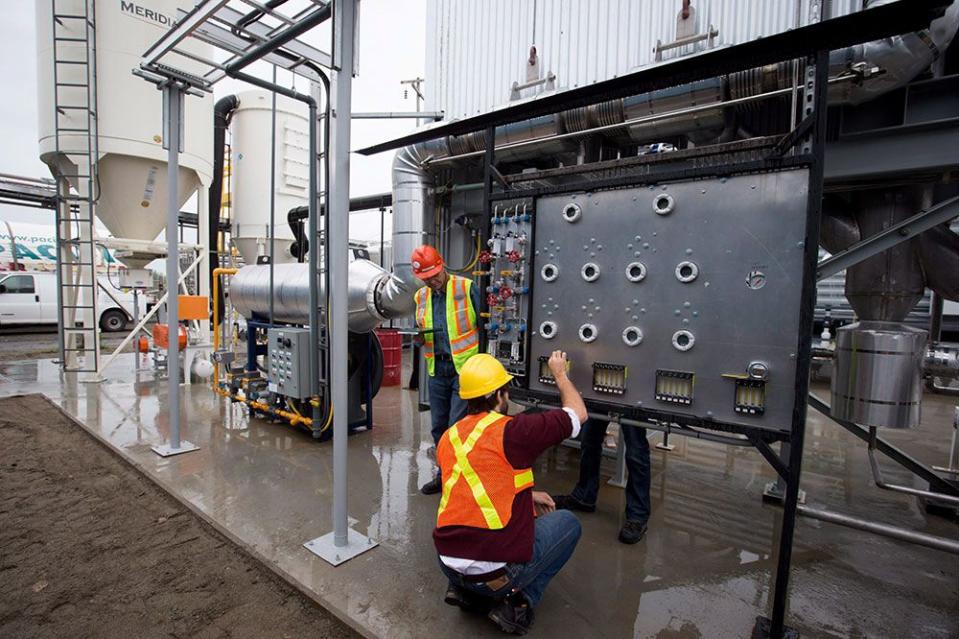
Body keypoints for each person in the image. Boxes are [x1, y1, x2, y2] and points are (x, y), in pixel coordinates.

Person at [434, 351, 587, 635]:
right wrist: (559, 373)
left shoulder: (449, 437)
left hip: (447, 564)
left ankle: (464, 591)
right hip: (498, 576)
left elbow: (471, 485)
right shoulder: (514, 431)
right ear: (499, 396)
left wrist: (528, 495)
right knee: (568, 524)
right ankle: (518, 604)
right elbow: (578, 414)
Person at [411, 244, 481, 495]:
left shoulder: (466, 288)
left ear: (441, 266)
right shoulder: (420, 297)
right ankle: (444, 476)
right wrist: (417, 338)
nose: (432, 282)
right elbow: (418, 330)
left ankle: (459, 480)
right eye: (426, 279)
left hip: (464, 370)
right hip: (436, 370)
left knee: (457, 427)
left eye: (434, 276)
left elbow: (484, 328)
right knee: (439, 428)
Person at [552, 417, 651, 544]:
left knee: (636, 450)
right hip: (602, 396)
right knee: (589, 439)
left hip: (634, 400)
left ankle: (638, 515)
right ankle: (584, 496)